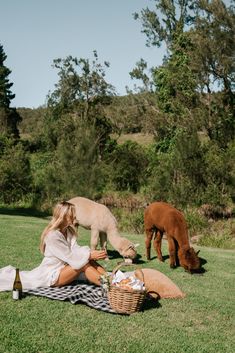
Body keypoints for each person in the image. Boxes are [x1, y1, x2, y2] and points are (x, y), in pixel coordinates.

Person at [0, 201, 107, 292]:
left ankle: (112, 279)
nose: (75, 216)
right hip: (52, 274)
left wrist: (90, 255)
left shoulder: (68, 231)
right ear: (63, 216)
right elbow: (70, 257)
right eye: (71, 213)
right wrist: (89, 255)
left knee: (86, 260)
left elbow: (76, 249)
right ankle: (108, 285)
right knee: (83, 263)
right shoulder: (53, 236)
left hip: (64, 268)